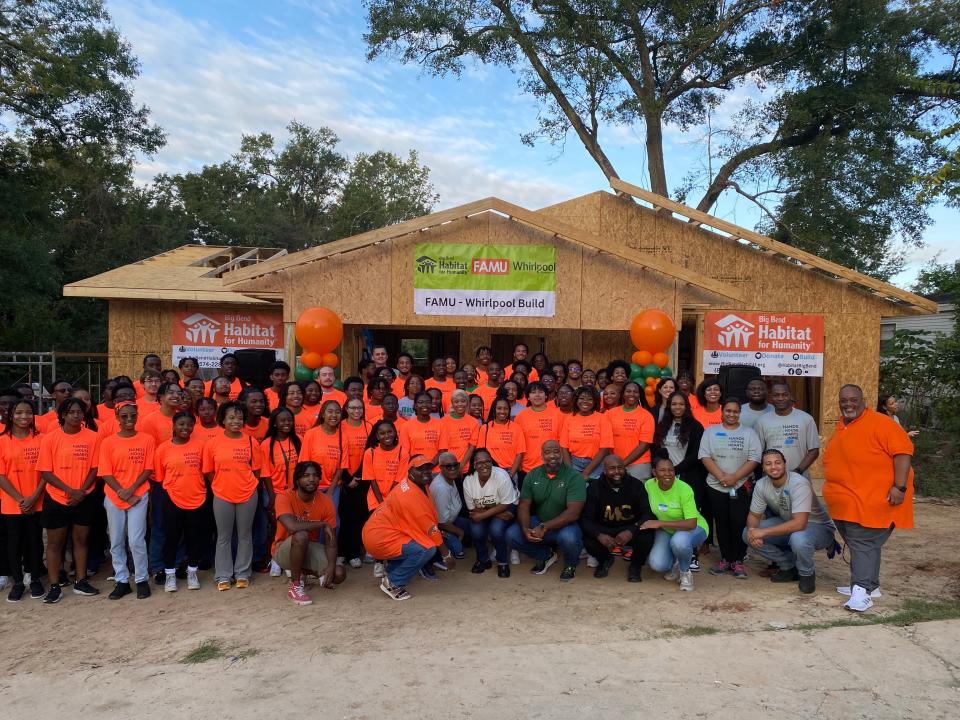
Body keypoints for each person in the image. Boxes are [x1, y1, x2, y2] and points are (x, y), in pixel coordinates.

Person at [822, 384, 914, 612]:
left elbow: (903, 453)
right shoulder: (844, 425)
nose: (848, 404)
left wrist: (899, 488)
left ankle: (861, 591)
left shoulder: (881, 423)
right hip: (847, 501)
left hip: (873, 500)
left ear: (863, 400)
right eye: (844, 400)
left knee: (863, 543)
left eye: (853, 399)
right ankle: (870, 586)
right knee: (863, 544)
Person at [362, 455, 456, 600]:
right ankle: (393, 582)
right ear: (411, 471)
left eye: (428, 468)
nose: (426, 472)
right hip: (379, 537)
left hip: (384, 531)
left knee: (422, 543)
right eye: (421, 469)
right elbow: (430, 528)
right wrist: (446, 554)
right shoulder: (410, 495)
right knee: (427, 549)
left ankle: (391, 573)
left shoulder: (418, 484)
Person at [744, 449, 836, 594]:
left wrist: (763, 532)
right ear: (763, 467)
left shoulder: (799, 483)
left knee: (798, 539)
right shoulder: (762, 485)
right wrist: (752, 531)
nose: (773, 467)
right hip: (789, 522)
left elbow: (800, 523)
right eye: (768, 464)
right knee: (747, 534)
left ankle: (806, 573)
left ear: (785, 464)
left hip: (816, 526)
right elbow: (754, 516)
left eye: (777, 462)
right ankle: (789, 566)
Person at [37, 397, 101, 602]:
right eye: (71, 412)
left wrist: (81, 491)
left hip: (85, 496)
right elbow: (45, 472)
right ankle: (55, 585)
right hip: (57, 498)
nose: (76, 415)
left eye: (80, 412)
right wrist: (69, 491)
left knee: (81, 540)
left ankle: (81, 581)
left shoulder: (92, 437)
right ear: (63, 414)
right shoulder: (50, 438)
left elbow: (95, 468)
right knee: (55, 544)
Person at [202, 401, 263, 591]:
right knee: (223, 536)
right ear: (223, 420)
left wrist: (249, 485)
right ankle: (223, 575)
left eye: (239, 417)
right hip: (222, 494)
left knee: (245, 534)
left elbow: (257, 470)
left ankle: (243, 573)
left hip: (247, 493)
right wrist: (219, 485)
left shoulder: (251, 442)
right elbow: (209, 471)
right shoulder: (212, 443)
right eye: (231, 417)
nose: (236, 421)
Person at [698, 398, 762, 578]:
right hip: (716, 485)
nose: (731, 414)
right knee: (722, 523)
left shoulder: (749, 433)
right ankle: (725, 558)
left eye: (735, 411)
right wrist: (722, 477)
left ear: (739, 413)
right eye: (728, 411)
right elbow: (705, 456)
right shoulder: (710, 432)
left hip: (741, 486)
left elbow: (754, 459)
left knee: (739, 522)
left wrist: (735, 477)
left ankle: (738, 560)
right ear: (722, 412)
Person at [506, 440, 586, 581]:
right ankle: (546, 555)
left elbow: (573, 513)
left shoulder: (574, 477)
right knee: (511, 534)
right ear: (542, 455)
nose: (552, 456)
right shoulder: (532, 475)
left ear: (561, 453)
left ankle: (570, 564)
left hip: (565, 525)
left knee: (569, 538)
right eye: (547, 452)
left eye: (556, 451)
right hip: (540, 521)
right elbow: (524, 505)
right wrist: (525, 528)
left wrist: (545, 526)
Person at [99, 401, 155, 600]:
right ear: (117, 418)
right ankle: (122, 580)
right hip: (115, 496)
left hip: (139, 495)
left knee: (136, 539)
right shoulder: (108, 442)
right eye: (124, 416)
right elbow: (105, 471)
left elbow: (148, 468)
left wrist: (131, 491)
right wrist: (122, 492)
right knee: (116, 540)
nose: (129, 419)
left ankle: (141, 579)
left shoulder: (147, 439)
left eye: (133, 415)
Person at [273, 461, 346, 605]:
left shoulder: (325, 502)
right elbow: (292, 527)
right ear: (297, 480)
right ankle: (295, 585)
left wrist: (331, 565)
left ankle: (304, 573)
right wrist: (321, 524)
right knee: (301, 534)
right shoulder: (284, 496)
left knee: (338, 573)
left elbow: (331, 539)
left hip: (308, 547)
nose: (311, 479)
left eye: (315, 476)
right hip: (283, 549)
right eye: (306, 475)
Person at [653, 391, 709, 565]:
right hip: (666, 477)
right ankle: (671, 553)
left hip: (688, 476)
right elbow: (656, 451)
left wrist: (674, 470)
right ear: (669, 406)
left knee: (689, 514)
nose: (677, 407)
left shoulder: (696, 426)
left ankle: (692, 555)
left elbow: (695, 455)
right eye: (674, 404)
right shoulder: (662, 425)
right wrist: (663, 471)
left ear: (687, 406)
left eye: (681, 404)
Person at [579, 454, 655, 582]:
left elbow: (647, 514)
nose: (617, 472)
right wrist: (599, 535)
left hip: (629, 527)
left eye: (620, 468)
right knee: (589, 538)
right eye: (612, 468)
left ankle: (636, 566)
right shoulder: (594, 488)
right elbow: (586, 518)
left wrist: (631, 531)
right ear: (604, 470)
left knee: (646, 535)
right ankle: (605, 560)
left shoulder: (636, 485)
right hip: (605, 528)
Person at [155, 411, 206, 592]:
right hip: (172, 498)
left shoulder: (201, 446)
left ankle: (192, 572)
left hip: (198, 498)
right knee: (172, 538)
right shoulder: (162, 449)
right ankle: (170, 575)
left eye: (189, 424)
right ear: (174, 426)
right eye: (181, 424)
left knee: (194, 538)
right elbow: (160, 478)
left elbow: (205, 471)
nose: (185, 428)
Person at [643, 453, 709, 591]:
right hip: (667, 529)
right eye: (662, 470)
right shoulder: (649, 485)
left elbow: (691, 523)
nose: (667, 473)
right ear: (654, 472)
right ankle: (676, 562)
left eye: (671, 470)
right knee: (657, 564)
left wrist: (660, 523)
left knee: (679, 542)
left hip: (694, 527)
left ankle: (685, 572)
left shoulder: (684, 489)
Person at [0, 400, 46, 600]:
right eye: (19, 413)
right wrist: (21, 499)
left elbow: (46, 471)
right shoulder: (2, 440)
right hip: (12, 502)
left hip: (37, 500)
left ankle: (35, 579)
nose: (24, 417)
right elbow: (1, 475)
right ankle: (17, 582)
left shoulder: (41, 439)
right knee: (14, 543)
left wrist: (34, 496)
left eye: (28, 412)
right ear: (11, 415)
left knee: (34, 541)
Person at [462, 448, 518, 577]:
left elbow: (506, 503)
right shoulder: (468, 481)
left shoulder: (502, 475)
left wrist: (483, 515)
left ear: (492, 462)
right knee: (476, 531)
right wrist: (493, 513)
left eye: (488, 461)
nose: (484, 465)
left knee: (496, 529)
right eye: (480, 462)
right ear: (474, 465)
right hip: (489, 510)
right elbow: (472, 509)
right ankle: (483, 560)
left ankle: (502, 561)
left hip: (506, 506)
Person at [755, 382, 820, 478]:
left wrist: (798, 471)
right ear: (771, 397)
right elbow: (757, 452)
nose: (780, 398)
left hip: (799, 478)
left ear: (790, 396)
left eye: (784, 395)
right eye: (776, 395)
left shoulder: (806, 419)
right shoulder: (762, 421)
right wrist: (771, 470)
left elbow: (814, 450)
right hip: (771, 479)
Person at [428, 451, 470, 577]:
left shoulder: (451, 478)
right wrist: (459, 532)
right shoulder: (441, 488)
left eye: (455, 465)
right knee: (458, 550)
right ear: (440, 468)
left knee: (473, 526)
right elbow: (441, 521)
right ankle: (437, 555)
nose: (452, 469)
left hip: (452, 519)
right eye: (448, 466)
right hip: (440, 525)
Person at [515, 381, 565, 485]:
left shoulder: (557, 415)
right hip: (527, 468)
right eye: (533, 392)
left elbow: (562, 442)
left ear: (546, 395)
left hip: (552, 465)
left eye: (541, 392)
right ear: (528, 397)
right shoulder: (520, 416)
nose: (537, 395)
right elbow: (517, 443)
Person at [559, 387, 613, 481]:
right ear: (576, 400)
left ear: (595, 402)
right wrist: (569, 471)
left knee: (593, 493)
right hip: (574, 463)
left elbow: (605, 448)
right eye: (581, 398)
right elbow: (564, 447)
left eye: (590, 399)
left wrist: (586, 472)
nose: (585, 402)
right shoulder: (569, 419)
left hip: (596, 464)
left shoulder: (603, 419)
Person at [604, 381, 654, 481]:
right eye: (628, 391)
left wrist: (621, 464)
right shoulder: (610, 414)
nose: (632, 394)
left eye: (635, 392)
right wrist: (614, 462)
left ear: (639, 395)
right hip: (613, 464)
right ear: (623, 394)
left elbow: (644, 445)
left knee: (636, 495)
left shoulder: (647, 416)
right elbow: (605, 439)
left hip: (639, 464)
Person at [478, 397, 525, 481]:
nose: (502, 411)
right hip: (490, 471)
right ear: (494, 410)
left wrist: (511, 475)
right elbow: (480, 452)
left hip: (510, 471)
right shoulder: (485, 428)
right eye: (499, 408)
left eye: (505, 408)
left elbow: (520, 454)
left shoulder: (516, 428)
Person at [398, 393, 443, 467]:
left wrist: (429, 466)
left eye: (428, 402)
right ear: (415, 405)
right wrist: (418, 466)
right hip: (415, 469)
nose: (424, 405)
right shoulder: (406, 426)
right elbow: (405, 452)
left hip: (436, 470)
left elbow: (442, 450)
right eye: (420, 402)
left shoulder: (441, 425)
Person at [439, 389, 478, 472]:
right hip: (448, 466)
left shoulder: (474, 422)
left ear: (467, 403)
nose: (460, 404)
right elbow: (443, 448)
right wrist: (451, 466)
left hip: (466, 467)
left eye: (463, 401)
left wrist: (461, 466)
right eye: (456, 402)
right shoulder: (443, 421)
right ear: (452, 404)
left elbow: (471, 447)